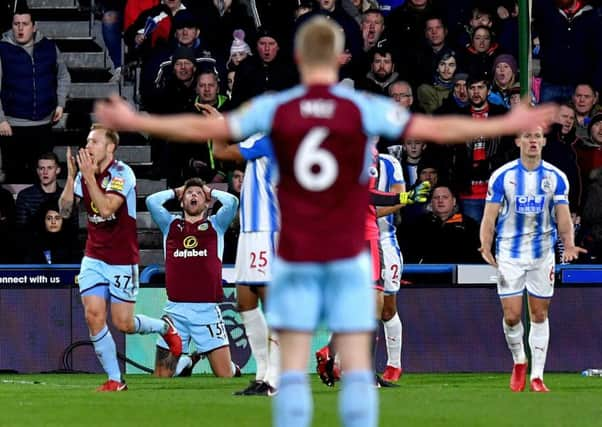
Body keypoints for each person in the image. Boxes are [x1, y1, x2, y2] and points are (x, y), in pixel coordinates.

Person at [95, 16, 558, 426]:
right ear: (339, 58)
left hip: (296, 243)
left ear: (297, 57)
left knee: (292, 354)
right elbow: (436, 128)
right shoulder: (359, 109)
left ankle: (279, 387)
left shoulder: (278, 112)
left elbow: (205, 131)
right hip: (346, 245)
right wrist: (499, 124)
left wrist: (136, 118)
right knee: (354, 356)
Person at [58, 124, 183, 392]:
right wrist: (71, 178)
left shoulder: (122, 173)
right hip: (93, 255)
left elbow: (105, 210)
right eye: (87, 141)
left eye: (93, 142)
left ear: (110, 147)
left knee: (123, 323)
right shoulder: (84, 175)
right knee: (93, 315)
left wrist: (88, 177)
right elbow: (65, 210)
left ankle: (164, 327)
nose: (87, 146)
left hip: (121, 258)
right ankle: (116, 380)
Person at [479, 126, 586, 393]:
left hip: (542, 254)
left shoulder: (556, 177)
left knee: (539, 313)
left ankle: (537, 376)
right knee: (512, 316)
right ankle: (519, 361)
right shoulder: (502, 176)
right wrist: (485, 244)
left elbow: (563, 215)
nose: (532, 141)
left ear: (543, 141)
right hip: (510, 254)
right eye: (527, 136)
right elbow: (489, 216)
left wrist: (569, 244)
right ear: (518, 141)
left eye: (537, 136)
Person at [146, 177, 241, 378]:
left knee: (225, 375)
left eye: (198, 193)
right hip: (175, 311)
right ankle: (187, 360)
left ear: (206, 203)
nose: (194, 195)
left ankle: (232, 367)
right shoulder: (170, 225)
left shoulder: (216, 225)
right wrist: (177, 190)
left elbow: (232, 202)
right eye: (189, 193)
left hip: (206, 310)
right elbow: (151, 201)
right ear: (182, 202)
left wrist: (210, 191)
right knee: (161, 377)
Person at [209, 131, 280, 396]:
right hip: (251, 233)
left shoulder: (268, 139)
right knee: (245, 302)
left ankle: (274, 376)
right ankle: (262, 373)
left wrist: (215, 127)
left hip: (266, 231)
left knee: (272, 306)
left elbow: (222, 152)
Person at [0, 8, 70, 182]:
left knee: (41, 178)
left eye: (25, 24)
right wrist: (1, 119)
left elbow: (63, 75)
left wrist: (60, 103)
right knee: (14, 177)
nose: (20, 29)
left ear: (34, 26)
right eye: (16, 24)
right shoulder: (3, 49)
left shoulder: (49, 47)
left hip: (43, 125)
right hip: (12, 126)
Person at [25, 199, 81, 264]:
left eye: (57, 218)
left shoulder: (73, 243)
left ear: (63, 220)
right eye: (49, 218)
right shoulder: (34, 243)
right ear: (43, 221)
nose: (53, 222)